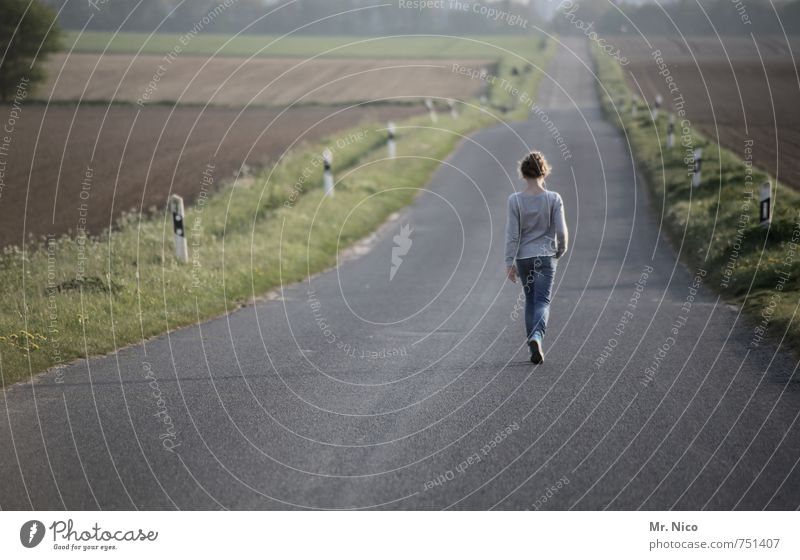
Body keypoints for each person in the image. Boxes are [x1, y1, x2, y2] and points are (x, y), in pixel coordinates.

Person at [504, 151, 568, 364]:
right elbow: (561, 231)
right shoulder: (553, 198)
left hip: (523, 258)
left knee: (530, 300)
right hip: (546, 256)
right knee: (543, 301)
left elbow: (512, 234)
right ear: (545, 172)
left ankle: (532, 340)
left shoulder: (514, 200)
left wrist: (508, 262)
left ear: (523, 173)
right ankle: (537, 337)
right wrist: (560, 251)